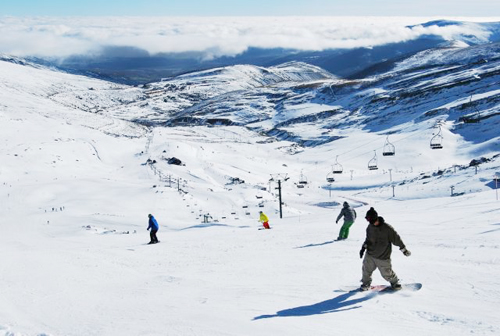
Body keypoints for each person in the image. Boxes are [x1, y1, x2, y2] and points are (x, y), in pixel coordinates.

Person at [359, 207, 411, 291]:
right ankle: (365, 284)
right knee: (366, 270)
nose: (369, 222)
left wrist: (404, 250)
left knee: (387, 273)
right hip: (370, 254)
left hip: (383, 256)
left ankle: (395, 283)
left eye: (369, 219)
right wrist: (363, 248)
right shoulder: (370, 227)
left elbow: (396, 239)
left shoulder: (387, 229)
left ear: (374, 218)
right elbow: (368, 239)